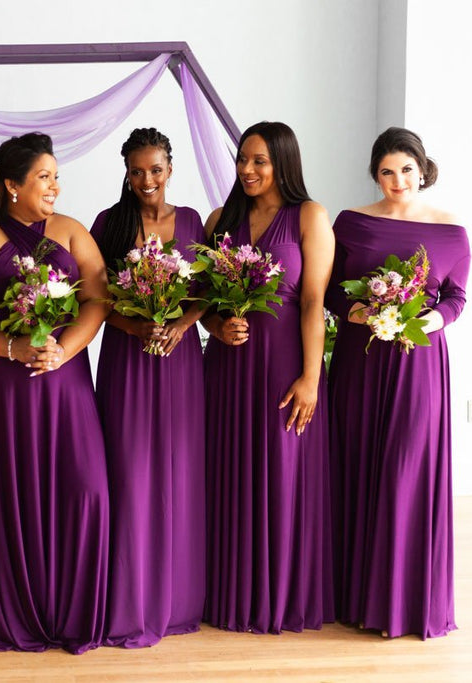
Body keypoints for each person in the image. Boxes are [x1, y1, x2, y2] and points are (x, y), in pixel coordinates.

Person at [0, 132, 110, 654]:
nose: (56, 185)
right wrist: (13, 348)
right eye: (44, 176)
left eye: (56, 175)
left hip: (64, 383)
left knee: (86, 490)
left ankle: (71, 613)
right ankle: (4, 610)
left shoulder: (73, 231)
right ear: (12, 184)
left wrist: (63, 349)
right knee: (4, 490)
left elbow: (98, 299)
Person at [327, 126, 471, 639]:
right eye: (387, 171)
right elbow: (328, 291)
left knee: (408, 469)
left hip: (419, 365)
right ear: (376, 174)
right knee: (359, 464)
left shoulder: (451, 230)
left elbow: (455, 296)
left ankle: (407, 602)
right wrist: (359, 312)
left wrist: (432, 321)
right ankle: (355, 599)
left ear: (422, 168)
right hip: (359, 364)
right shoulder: (351, 223)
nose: (397, 180)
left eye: (405, 169)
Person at [201, 121, 335, 633]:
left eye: (259, 161)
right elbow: (204, 302)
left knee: (282, 475)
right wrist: (217, 325)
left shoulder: (310, 216)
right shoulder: (220, 219)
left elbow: (314, 301)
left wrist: (311, 378)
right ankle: (226, 595)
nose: (247, 170)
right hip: (229, 366)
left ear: (282, 162)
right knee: (228, 472)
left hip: (283, 365)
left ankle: (280, 598)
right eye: (242, 160)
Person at [90, 128, 206, 647]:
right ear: (126, 172)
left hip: (181, 361)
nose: (146, 180)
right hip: (127, 360)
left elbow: (209, 294)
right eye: (136, 171)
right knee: (129, 470)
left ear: (170, 168)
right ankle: (128, 597)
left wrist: (180, 326)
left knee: (179, 470)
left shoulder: (194, 222)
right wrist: (139, 326)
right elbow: (93, 299)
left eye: (155, 169)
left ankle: (179, 597)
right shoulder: (108, 224)